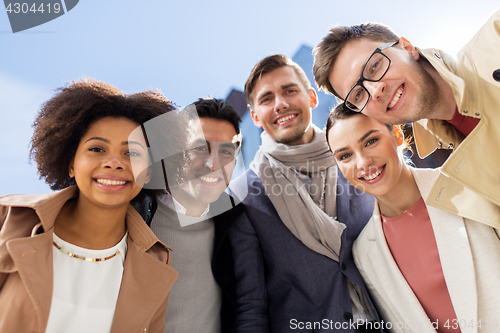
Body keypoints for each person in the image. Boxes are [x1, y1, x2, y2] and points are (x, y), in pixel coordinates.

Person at [0, 79, 179, 333]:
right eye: (97, 148)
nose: (114, 162)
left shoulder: (157, 260)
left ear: (149, 173)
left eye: (132, 153)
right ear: (71, 163)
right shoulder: (8, 218)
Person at [228, 54, 383, 332]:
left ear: (311, 97)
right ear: (255, 116)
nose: (280, 104)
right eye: (266, 99)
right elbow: (251, 302)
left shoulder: (355, 159)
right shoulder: (243, 195)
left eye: (289, 90)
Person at [312, 10, 500, 227]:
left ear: (407, 47)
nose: (375, 90)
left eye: (374, 66)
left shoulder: (494, 39)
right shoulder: (450, 161)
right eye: (358, 94)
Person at [325, 103, 500, 332]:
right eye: (345, 155)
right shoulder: (365, 253)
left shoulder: (467, 187)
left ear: (397, 134)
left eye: (371, 141)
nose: (362, 162)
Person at [134, 97, 245, 333]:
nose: (213, 163)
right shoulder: (134, 213)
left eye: (226, 151)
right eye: (199, 148)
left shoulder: (238, 221)